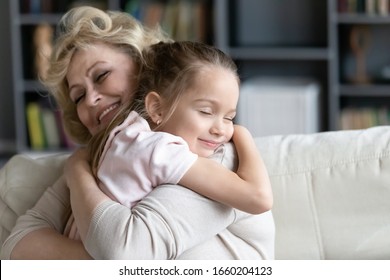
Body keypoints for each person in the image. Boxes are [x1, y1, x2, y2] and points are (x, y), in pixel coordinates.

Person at [0, 6, 275, 259]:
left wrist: (76, 173)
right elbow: (17, 245)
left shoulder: (211, 148)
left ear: (141, 66)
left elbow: (125, 252)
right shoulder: (104, 155)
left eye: (101, 75)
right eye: (78, 96)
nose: (91, 99)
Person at [65, 40, 273, 240]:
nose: (221, 129)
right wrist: (243, 133)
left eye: (229, 118)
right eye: (205, 111)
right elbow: (259, 198)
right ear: (156, 108)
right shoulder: (157, 150)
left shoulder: (126, 135)